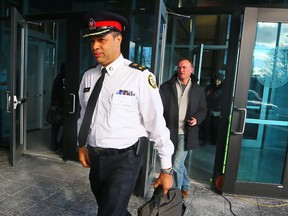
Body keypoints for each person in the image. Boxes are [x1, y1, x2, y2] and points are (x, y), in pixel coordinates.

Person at [77, 11, 174, 216]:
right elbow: (85, 114)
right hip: (96, 158)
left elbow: (156, 123)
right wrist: (82, 144)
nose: (95, 46)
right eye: (92, 40)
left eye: (101, 40)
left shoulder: (139, 76)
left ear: (118, 39)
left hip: (125, 160)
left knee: (109, 212)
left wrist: (166, 169)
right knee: (113, 209)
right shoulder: (89, 76)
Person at [159, 58, 207, 198]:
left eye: (185, 67)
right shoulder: (166, 87)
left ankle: (176, 195)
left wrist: (196, 119)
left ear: (191, 70)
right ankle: (185, 185)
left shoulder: (198, 89)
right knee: (178, 163)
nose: (181, 70)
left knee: (175, 164)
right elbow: (158, 108)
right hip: (169, 132)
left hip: (186, 133)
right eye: (179, 67)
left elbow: (203, 109)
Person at [49, 62, 65, 152]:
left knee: (55, 127)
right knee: (65, 127)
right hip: (60, 106)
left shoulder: (58, 77)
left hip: (55, 105)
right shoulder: (63, 78)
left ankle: (54, 146)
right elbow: (60, 92)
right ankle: (60, 146)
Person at [206, 71, 225, 145]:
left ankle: (214, 140)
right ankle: (211, 139)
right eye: (216, 79)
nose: (217, 81)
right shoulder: (213, 87)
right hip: (212, 109)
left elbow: (213, 98)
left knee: (215, 126)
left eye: (219, 80)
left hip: (216, 110)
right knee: (211, 125)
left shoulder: (221, 89)